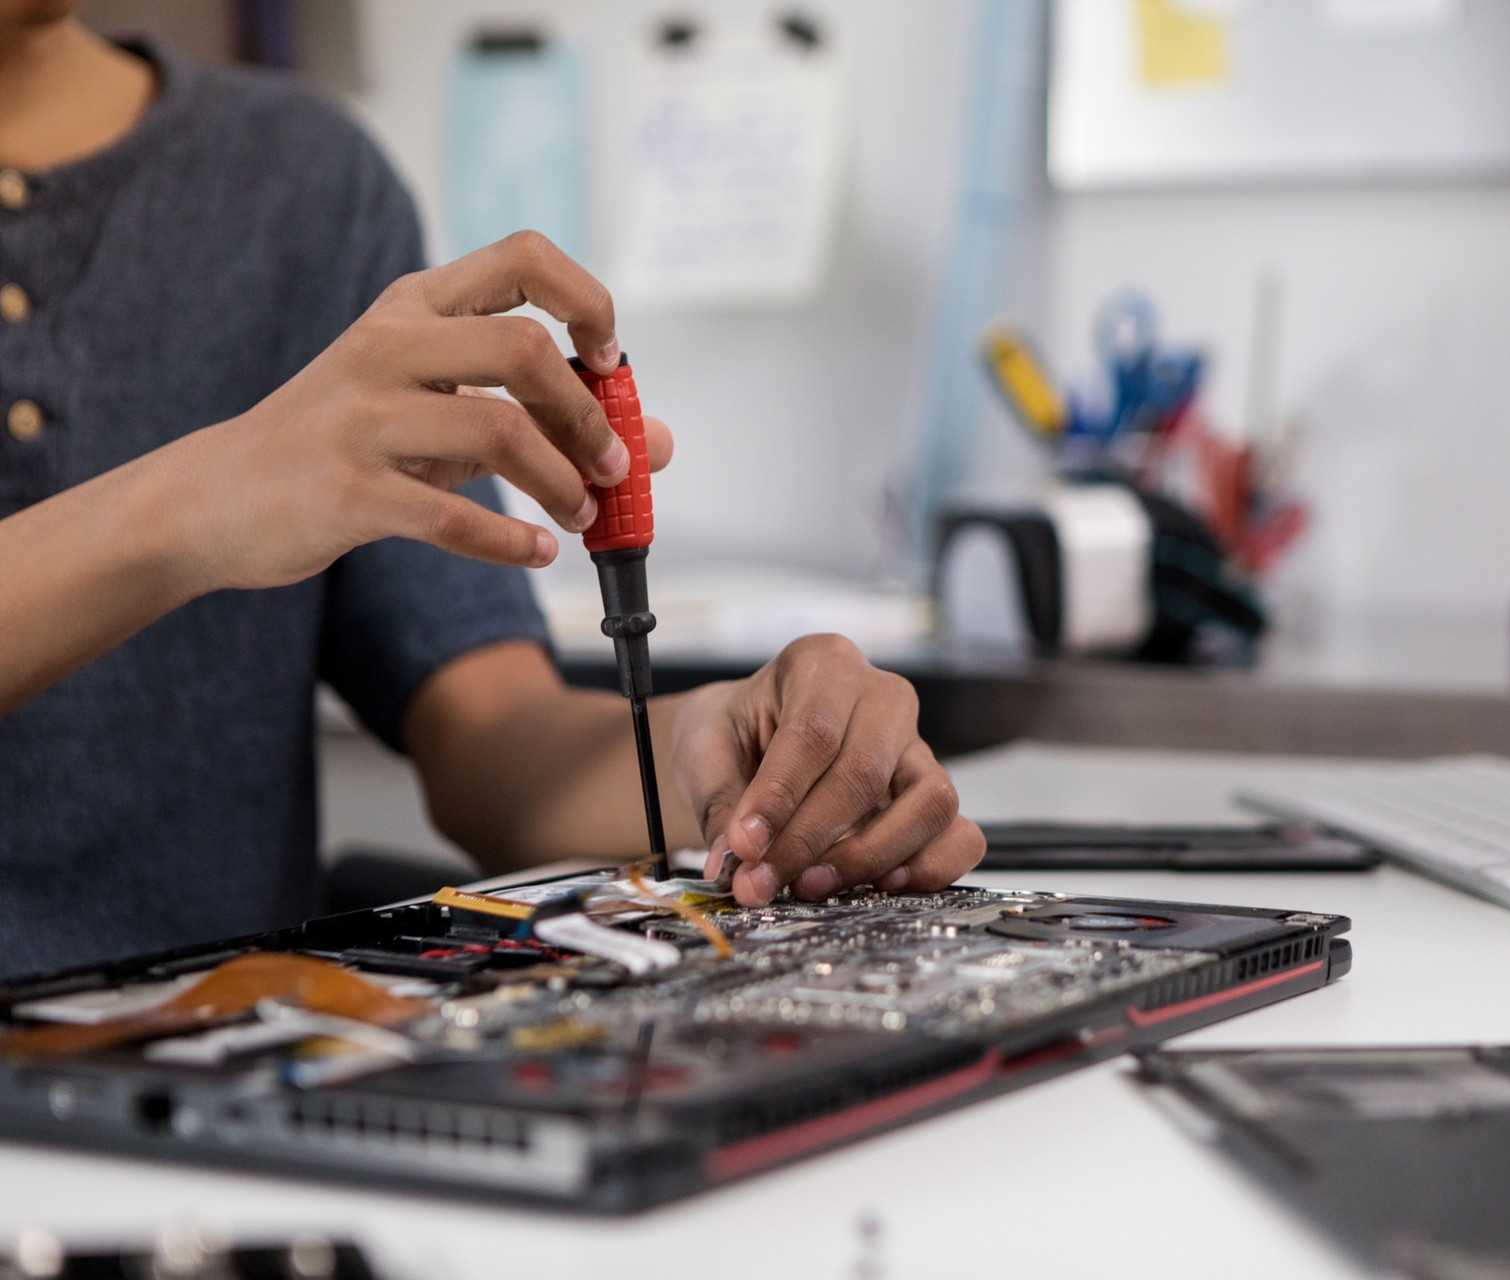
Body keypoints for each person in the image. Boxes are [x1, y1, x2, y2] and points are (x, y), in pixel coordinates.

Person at [0, 9, 983, 979]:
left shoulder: (303, 180)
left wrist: (720, 749)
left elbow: (493, 741)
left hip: (226, 1085)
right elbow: (206, 500)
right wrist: (189, 506)